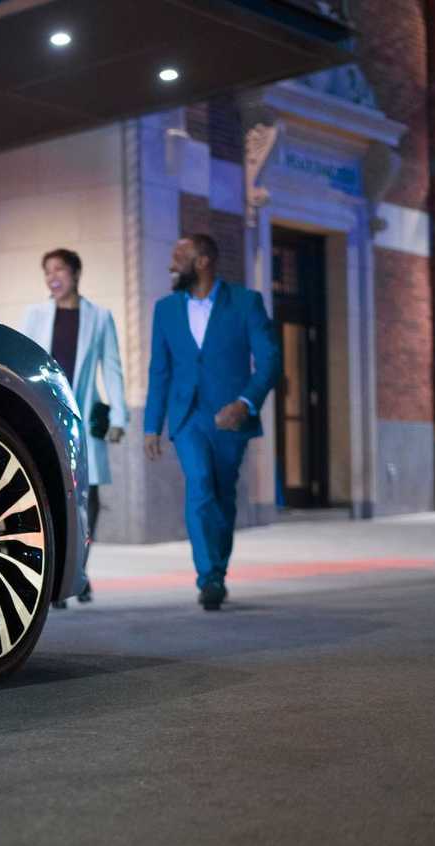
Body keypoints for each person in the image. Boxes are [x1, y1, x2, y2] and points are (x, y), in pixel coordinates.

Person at [144, 233, 282, 611]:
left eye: (179, 255)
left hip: (229, 417)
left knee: (222, 491)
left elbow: (270, 360)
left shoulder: (246, 302)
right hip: (187, 416)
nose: (172, 263)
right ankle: (208, 577)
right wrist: (151, 425)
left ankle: (217, 570)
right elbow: (160, 370)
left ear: (203, 260)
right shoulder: (165, 309)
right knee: (200, 484)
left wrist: (245, 403)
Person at [19, 248, 127, 607]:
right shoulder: (34, 315)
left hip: (84, 416)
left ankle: (79, 571)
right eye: (47, 270)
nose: (52, 276)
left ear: (76, 274)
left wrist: (119, 417)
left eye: (59, 269)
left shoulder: (99, 317)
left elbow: (112, 368)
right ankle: (54, 577)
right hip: (46, 415)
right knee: (49, 492)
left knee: (88, 497)